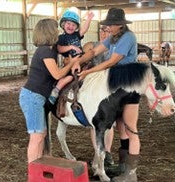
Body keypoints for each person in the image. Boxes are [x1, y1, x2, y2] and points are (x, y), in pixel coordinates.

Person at [72, 8, 139, 182]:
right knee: (112, 123)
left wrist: (88, 73)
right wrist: (78, 61)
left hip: (127, 84)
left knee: (128, 129)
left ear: (120, 25)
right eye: (107, 25)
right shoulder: (113, 37)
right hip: (114, 85)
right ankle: (111, 162)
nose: (107, 28)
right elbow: (94, 51)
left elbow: (111, 61)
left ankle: (129, 172)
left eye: (111, 25)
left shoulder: (128, 37)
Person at [19, 18, 78, 164]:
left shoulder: (49, 50)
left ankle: (38, 166)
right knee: (37, 136)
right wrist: (71, 64)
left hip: (37, 97)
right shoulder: (45, 51)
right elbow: (57, 74)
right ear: (50, 31)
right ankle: (33, 172)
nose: (58, 31)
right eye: (55, 29)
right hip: (33, 96)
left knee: (41, 134)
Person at [83, 25, 116, 170]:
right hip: (93, 84)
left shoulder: (115, 47)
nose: (104, 33)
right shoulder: (93, 45)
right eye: (102, 30)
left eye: (107, 31)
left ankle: (107, 152)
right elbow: (84, 51)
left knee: (110, 124)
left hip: (108, 85)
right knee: (94, 123)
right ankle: (98, 152)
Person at [48, 10, 94, 104]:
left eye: (73, 25)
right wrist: (72, 47)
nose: (70, 26)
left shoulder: (76, 35)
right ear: (63, 24)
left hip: (81, 60)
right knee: (70, 77)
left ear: (76, 27)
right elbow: (60, 49)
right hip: (71, 63)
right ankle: (56, 91)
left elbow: (84, 29)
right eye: (68, 24)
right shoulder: (61, 38)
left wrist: (88, 19)